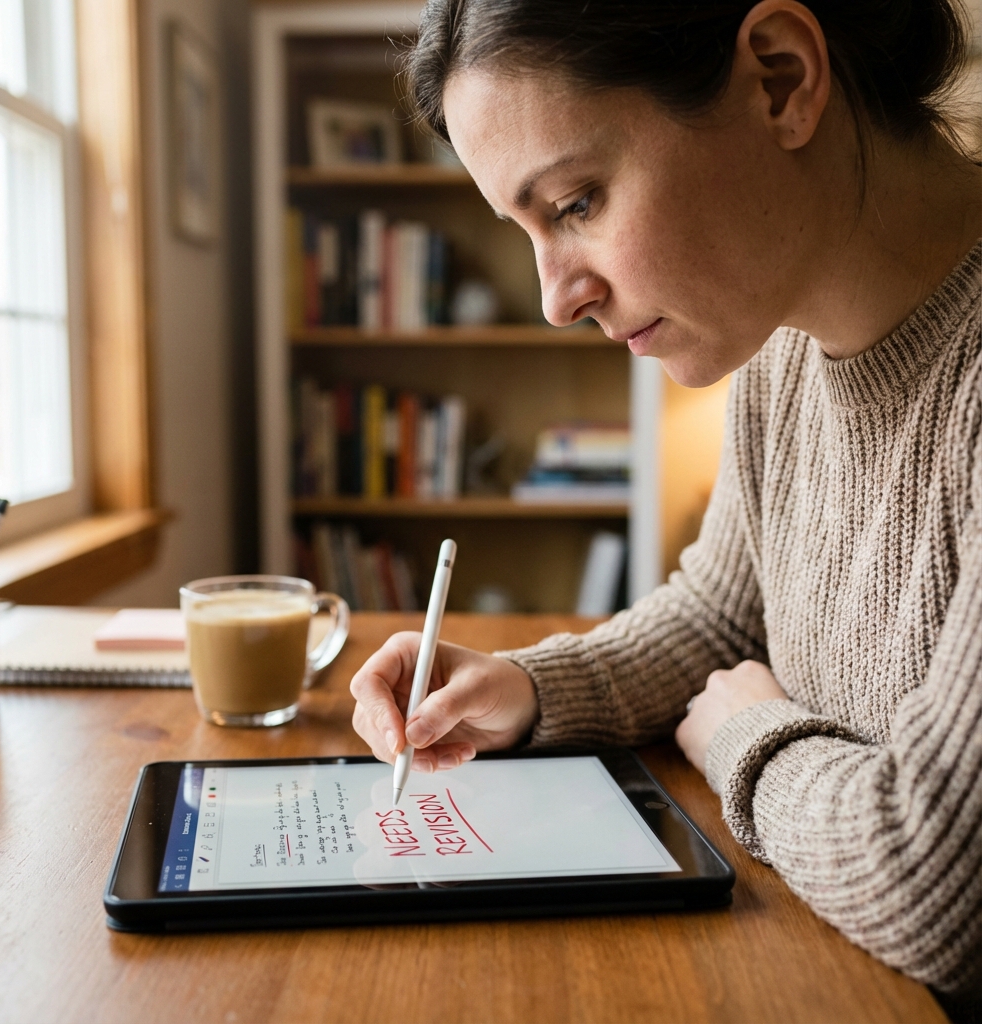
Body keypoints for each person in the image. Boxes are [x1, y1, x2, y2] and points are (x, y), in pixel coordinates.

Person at [349, 0, 981, 998]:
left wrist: (748, 737)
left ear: (779, 79)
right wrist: (528, 689)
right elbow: (723, 618)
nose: (556, 298)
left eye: (575, 203)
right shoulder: (782, 353)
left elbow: (943, 882)